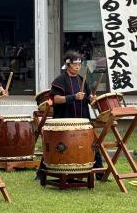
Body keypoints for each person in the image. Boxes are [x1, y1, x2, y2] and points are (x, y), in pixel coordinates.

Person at [38, 51, 102, 179]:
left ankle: (100, 173)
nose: (78, 67)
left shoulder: (81, 80)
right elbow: (55, 99)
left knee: (93, 144)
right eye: (75, 64)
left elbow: (89, 98)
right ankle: (42, 171)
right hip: (64, 119)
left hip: (83, 118)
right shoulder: (60, 80)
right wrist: (73, 97)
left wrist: (93, 99)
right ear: (68, 64)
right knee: (57, 145)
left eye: (79, 64)